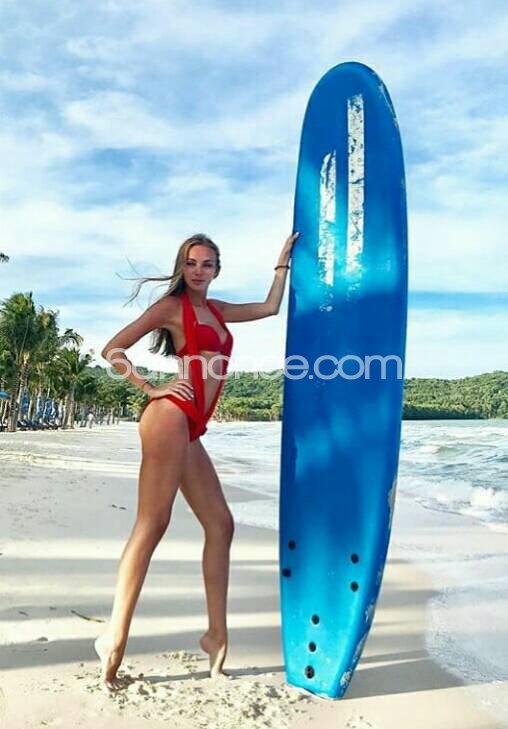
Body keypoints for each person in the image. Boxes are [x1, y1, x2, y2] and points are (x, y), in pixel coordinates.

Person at [94, 231, 299, 690]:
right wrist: (152, 388)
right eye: (191, 263)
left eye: (206, 264)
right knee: (152, 524)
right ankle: (114, 637)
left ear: (217, 270)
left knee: (221, 525)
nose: (198, 271)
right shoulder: (172, 308)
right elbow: (112, 350)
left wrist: (282, 264)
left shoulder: (218, 310)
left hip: (191, 426)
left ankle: (215, 635)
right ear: (181, 267)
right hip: (169, 416)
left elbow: (269, 308)